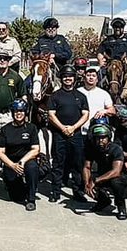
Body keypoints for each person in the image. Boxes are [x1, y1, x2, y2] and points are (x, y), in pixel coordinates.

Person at [47, 64, 90, 203]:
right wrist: (62, 128)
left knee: (77, 164)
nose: (68, 79)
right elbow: (51, 114)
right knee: (58, 163)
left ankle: (78, 191)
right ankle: (55, 191)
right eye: (65, 76)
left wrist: (73, 127)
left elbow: (86, 114)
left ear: (74, 78)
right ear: (61, 78)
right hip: (59, 134)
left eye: (70, 76)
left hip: (76, 134)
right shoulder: (55, 96)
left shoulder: (81, 96)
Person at [0, 99, 42, 211]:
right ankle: (17, 185)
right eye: (16, 111)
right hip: (11, 161)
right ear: (12, 112)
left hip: (26, 160)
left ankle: (31, 199)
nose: (18, 113)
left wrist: (22, 162)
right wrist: (12, 165)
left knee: (32, 167)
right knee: (16, 197)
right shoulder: (5, 129)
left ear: (25, 112)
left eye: (21, 111)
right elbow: (0, 151)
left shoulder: (31, 128)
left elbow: (35, 149)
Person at [83, 123, 127, 220]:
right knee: (83, 181)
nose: (100, 141)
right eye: (97, 138)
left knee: (116, 182)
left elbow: (116, 171)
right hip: (101, 175)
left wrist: (95, 180)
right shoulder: (92, 149)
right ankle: (103, 201)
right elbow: (87, 167)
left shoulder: (116, 149)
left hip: (119, 176)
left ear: (108, 138)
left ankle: (121, 207)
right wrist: (87, 184)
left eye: (103, 138)